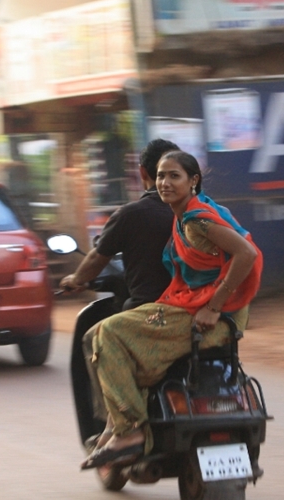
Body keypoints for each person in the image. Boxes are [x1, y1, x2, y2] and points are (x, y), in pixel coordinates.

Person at [81, 150, 263, 469]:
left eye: (174, 176)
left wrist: (214, 307)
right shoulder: (186, 214)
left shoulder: (196, 220)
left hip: (210, 315)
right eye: (162, 176)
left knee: (106, 333)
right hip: (206, 309)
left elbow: (246, 253)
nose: (165, 182)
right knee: (102, 334)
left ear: (193, 181)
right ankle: (117, 423)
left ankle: (130, 432)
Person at [59, 138, 180, 310]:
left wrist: (75, 279)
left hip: (148, 309)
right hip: (196, 307)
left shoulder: (130, 214)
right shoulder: (200, 209)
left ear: (142, 172)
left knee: (93, 336)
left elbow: (97, 258)